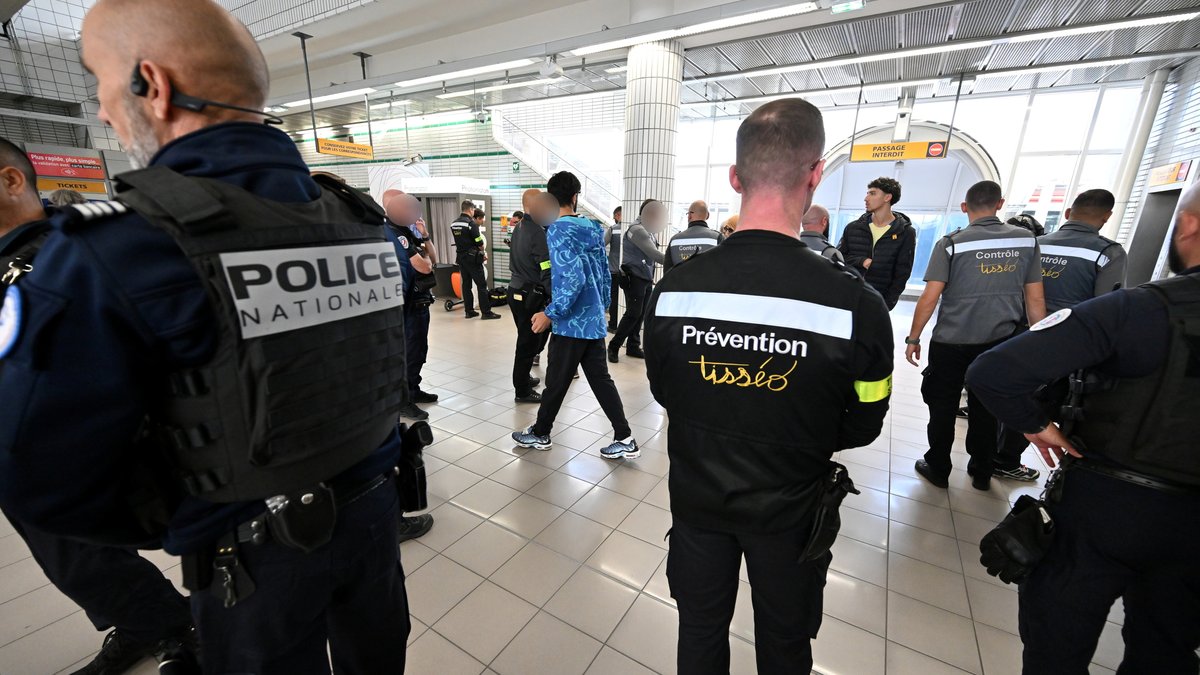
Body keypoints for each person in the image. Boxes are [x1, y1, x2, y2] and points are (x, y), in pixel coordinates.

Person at [0, 2, 413, 671]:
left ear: (153, 85)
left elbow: (34, 472)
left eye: (101, 82)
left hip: (248, 557)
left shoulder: (117, 249)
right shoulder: (356, 218)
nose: (101, 110)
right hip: (374, 519)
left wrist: (190, 505)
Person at [644, 98, 894, 674]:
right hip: (792, 511)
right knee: (785, 643)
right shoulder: (855, 303)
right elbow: (866, 419)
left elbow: (664, 389)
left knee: (700, 631)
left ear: (736, 178)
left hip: (698, 499)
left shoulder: (676, 289)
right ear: (815, 175)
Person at [965, 181, 1200, 675]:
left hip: (1105, 505)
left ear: (1190, 225)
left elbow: (994, 372)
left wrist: (1037, 424)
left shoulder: (1140, 309)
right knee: (1167, 650)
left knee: (1057, 643)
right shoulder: (1109, 260)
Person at [0, 137, 198, 675]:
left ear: (12, 180)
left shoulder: (66, 256)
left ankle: (176, 629)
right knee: (73, 563)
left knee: (84, 560)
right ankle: (148, 625)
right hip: (24, 450)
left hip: (74, 447)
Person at [905, 180, 1047, 491]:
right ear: (1000, 204)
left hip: (950, 342)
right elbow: (1035, 298)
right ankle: (982, 471)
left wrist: (914, 337)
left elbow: (930, 296)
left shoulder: (951, 243)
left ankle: (938, 467)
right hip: (1000, 342)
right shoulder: (1026, 241)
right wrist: (1039, 343)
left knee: (942, 405)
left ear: (964, 207)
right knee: (987, 408)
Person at [511, 174, 637, 460]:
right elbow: (603, 275)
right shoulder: (593, 228)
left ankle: (541, 433)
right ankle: (624, 437)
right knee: (599, 381)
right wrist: (602, 307)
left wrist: (550, 313)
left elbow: (573, 279)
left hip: (571, 324)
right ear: (575, 197)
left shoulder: (557, 230)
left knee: (557, 381)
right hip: (592, 320)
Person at [385, 191, 440, 421]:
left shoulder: (407, 231)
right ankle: (403, 401)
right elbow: (425, 266)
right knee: (408, 352)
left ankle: (414, 389)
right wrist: (424, 260)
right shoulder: (392, 233)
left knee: (418, 350)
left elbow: (433, 258)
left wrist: (425, 235)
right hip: (407, 304)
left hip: (420, 300)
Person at [1038, 189, 1128, 313]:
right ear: (1107, 216)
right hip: (1073, 323)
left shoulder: (1035, 243)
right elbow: (1108, 306)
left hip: (1024, 323)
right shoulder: (1109, 253)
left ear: (1067, 213)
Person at [837, 177, 916, 309]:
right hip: (847, 297)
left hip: (877, 303)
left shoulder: (906, 233)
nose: (866, 198)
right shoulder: (853, 228)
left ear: (887, 197)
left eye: (872, 193)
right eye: (867, 193)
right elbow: (838, 258)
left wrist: (886, 304)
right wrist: (862, 261)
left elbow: (902, 274)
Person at [608, 199, 666, 363]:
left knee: (641, 313)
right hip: (634, 277)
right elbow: (655, 254)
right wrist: (678, 260)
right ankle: (613, 346)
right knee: (633, 313)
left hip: (645, 277)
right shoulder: (637, 229)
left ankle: (633, 346)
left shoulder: (648, 229)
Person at [508, 189, 552, 403]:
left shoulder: (520, 226)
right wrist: (554, 295)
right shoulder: (537, 232)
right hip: (530, 294)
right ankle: (522, 390)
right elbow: (546, 268)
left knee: (527, 338)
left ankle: (523, 377)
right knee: (528, 342)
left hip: (516, 290)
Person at [451, 199, 500, 319]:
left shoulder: (454, 224)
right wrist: (482, 251)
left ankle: (469, 311)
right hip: (473, 259)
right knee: (481, 285)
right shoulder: (470, 224)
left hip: (461, 258)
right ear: (471, 210)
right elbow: (479, 242)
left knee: (466, 285)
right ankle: (486, 312)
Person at [664, 199, 723, 272]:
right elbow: (725, 266)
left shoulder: (674, 240)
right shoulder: (717, 238)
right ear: (707, 216)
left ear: (689, 216)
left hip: (680, 279)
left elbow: (667, 272)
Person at [607, 204, 623, 332]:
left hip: (613, 270)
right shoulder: (635, 229)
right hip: (629, 271)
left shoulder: (613, 229)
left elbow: (601, 244)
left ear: (617, 215)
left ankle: (613, 325)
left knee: (614, 298)